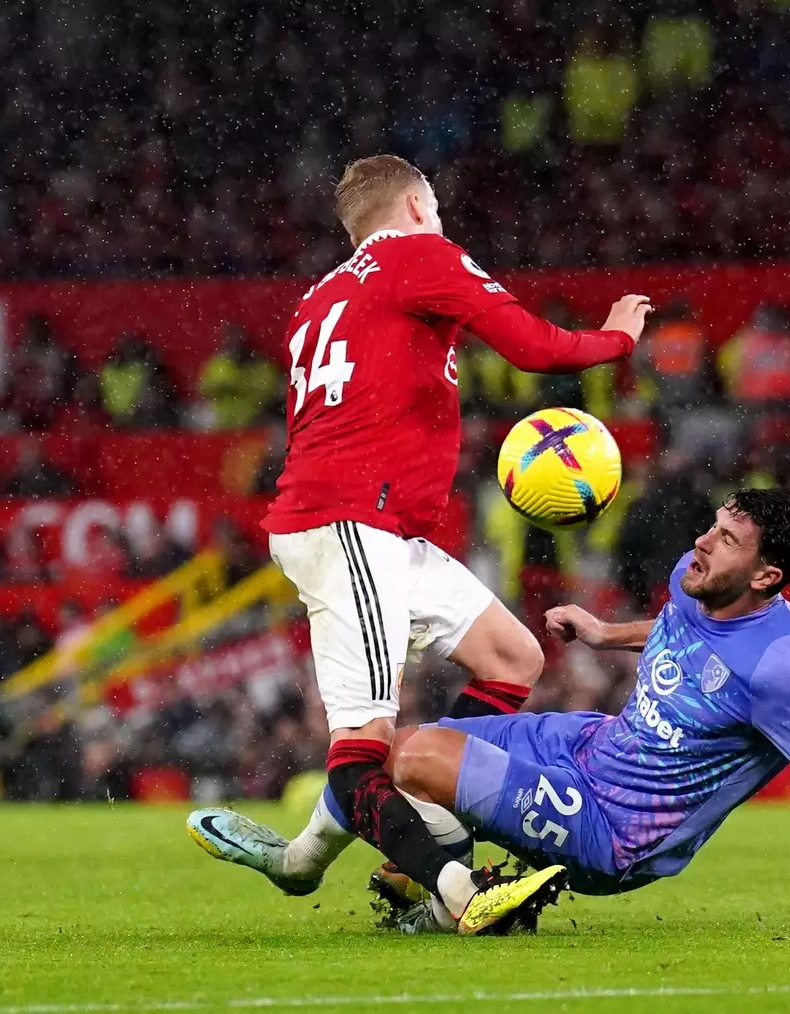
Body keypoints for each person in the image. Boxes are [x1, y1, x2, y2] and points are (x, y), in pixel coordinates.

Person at [186, 154, 652, 935]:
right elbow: (533, 348)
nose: (443, 226)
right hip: (349, 525)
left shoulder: (318, 297)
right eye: (435, 211)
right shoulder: (418, 254)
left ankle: (313, 858)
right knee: (364, 742)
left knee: (514, 659)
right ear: (414, 204)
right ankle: (451, 888)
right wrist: (613, 341)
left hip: (376, 527)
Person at [195, 488, 790, 937]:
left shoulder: (786, 668)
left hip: (614, 830)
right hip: (593, 746)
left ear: (766, 577)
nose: (702, 541)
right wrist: (607, 634)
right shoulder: (695, 578)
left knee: (422, 760)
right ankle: (327, 866)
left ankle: (439, 896)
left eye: (727, 539)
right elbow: (682, 629)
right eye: (714, 525)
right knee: (394, 747)